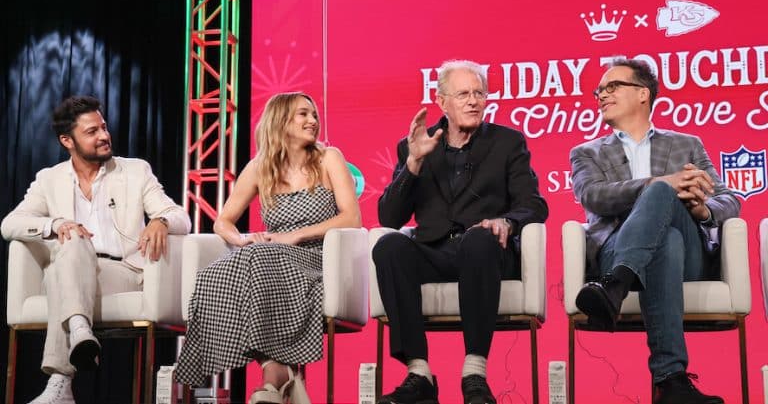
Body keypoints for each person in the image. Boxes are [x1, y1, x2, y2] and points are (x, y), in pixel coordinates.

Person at [372, 60, 549, 404]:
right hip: (434, 251)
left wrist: (507, 222)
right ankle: (419, 374)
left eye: (479, 93)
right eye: (464, 94)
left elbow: (535, 204)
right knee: (389, 246)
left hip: (486, 252)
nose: (473, 101)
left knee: (480, 240)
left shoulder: (508, 142)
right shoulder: (417, 145)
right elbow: (389, 217)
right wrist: (413, 163)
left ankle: (474, 373)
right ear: (442, 101)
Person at [1, 96, 191, 404]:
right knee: (72, 243)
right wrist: (56, 224)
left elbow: (182, 216)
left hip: (122, 272)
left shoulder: (135, 171)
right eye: (92, 132)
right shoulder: (49, 179)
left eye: (103, 127)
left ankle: (60, 380)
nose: (104, 136)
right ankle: (78, 331)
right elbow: (10, 224)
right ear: (68, 140)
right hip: (72, 267)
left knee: (58, 278)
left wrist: (161, 220)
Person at [570, 58, 739, 404]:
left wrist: (703, 210)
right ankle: (671, 380)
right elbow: (592, 196)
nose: (602, 94)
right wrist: (657, 182)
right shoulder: (586, 152)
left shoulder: (686, 144)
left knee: (665, 203)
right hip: (616, 249)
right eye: (599, 90)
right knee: (667, 235)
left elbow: (729, 199)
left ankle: (615, 285)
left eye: (612, 86)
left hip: (687, 262)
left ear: (643, 94)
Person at [175, 92, 361, 404]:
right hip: (270, 258)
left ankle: (277, 376)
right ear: (280, 120)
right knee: (215, 275)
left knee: (257, 258)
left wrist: (295, 236)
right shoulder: (259, 167)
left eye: (314, 114)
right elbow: (223, 222)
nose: (313, 121)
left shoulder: (329, 158)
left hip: (317, 259)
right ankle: (275, 371)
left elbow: (351, 217)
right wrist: (241, 239)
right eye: (303, 114)